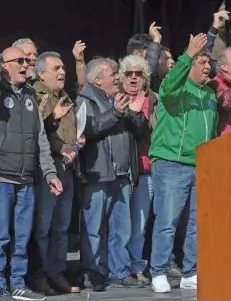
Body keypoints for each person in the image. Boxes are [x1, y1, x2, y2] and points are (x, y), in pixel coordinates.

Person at [0, 44, 62, 301]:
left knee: (22, 236)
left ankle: (17, 283)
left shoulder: (28, 96)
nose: (26, 65)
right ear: (4, 65)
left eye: (27, 61)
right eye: (19, 61)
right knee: (0, 234)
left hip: (25, 178)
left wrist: (50, 173)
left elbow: (40, 140)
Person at [148, 33, 217, 293]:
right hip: (171, 164)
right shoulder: (174, 88)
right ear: (187, 66)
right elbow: (167, 85)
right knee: (167, 221)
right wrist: (188, 54)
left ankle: (190, 271)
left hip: (201, 166)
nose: (208, 66)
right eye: (202, 62)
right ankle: (159, 271)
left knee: (196, 224)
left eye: (209, 63)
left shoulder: (209, 94)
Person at [77, 57, 148, 291]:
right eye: (113, 74)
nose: (118, 77)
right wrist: (116, 113)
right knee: (94, 230)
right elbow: (89, 128)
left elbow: (139, 131)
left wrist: (133, 114)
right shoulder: (85, 100)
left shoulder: (118, 99)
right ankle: (92, 271)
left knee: (121, 229)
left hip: (121, 174)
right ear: (98, 79)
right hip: (97, 174)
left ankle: (119, 271)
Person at [30, 51, 82, 295]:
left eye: (63, 67)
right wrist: (63, 148)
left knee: (61, 227)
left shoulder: (66, 96)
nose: (62, 72)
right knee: (43, 228)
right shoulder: (35, 95)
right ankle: (39, 276)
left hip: (68, 170)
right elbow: (37, 133)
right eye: (56, 68)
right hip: (46, 171)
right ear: (41, 73)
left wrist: (76, 146)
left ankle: (56, 274)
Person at [118, 55, 158, 286]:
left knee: (139, 224)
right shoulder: (115, 97)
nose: (134, 78)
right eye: (129, 73)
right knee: (120, 224)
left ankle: (136, 266)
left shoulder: (154, 99)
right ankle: (118, 266)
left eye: (139, 73)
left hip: (146, 168)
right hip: (122, 171)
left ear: (145, 78)